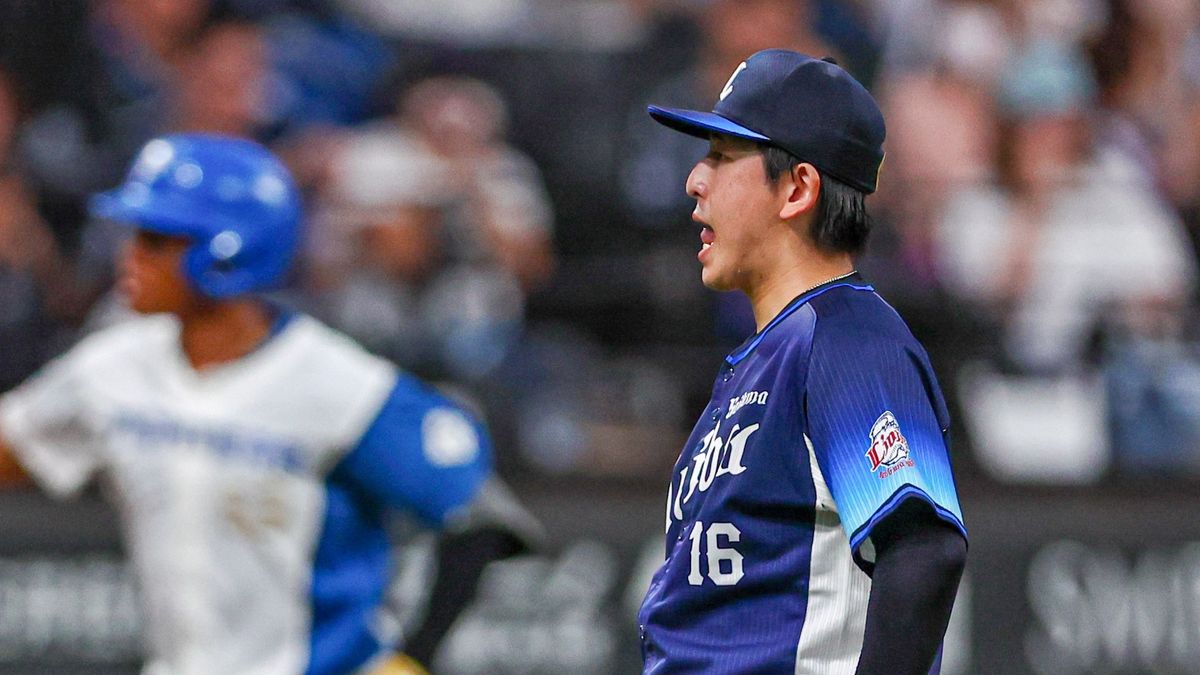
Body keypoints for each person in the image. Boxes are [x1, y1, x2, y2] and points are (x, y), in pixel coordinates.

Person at [0, 133, 527, 674]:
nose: (129, 257)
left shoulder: (336, 382)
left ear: (228, 249)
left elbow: (478, 517)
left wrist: (414, 658)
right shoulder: (114, 367)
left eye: (156, 239)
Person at [636, 50, 968, 674]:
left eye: (722, 155)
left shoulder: (848, 339)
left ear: (797, 188)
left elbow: (923, 550)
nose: (694, 180)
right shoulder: (774, 353)